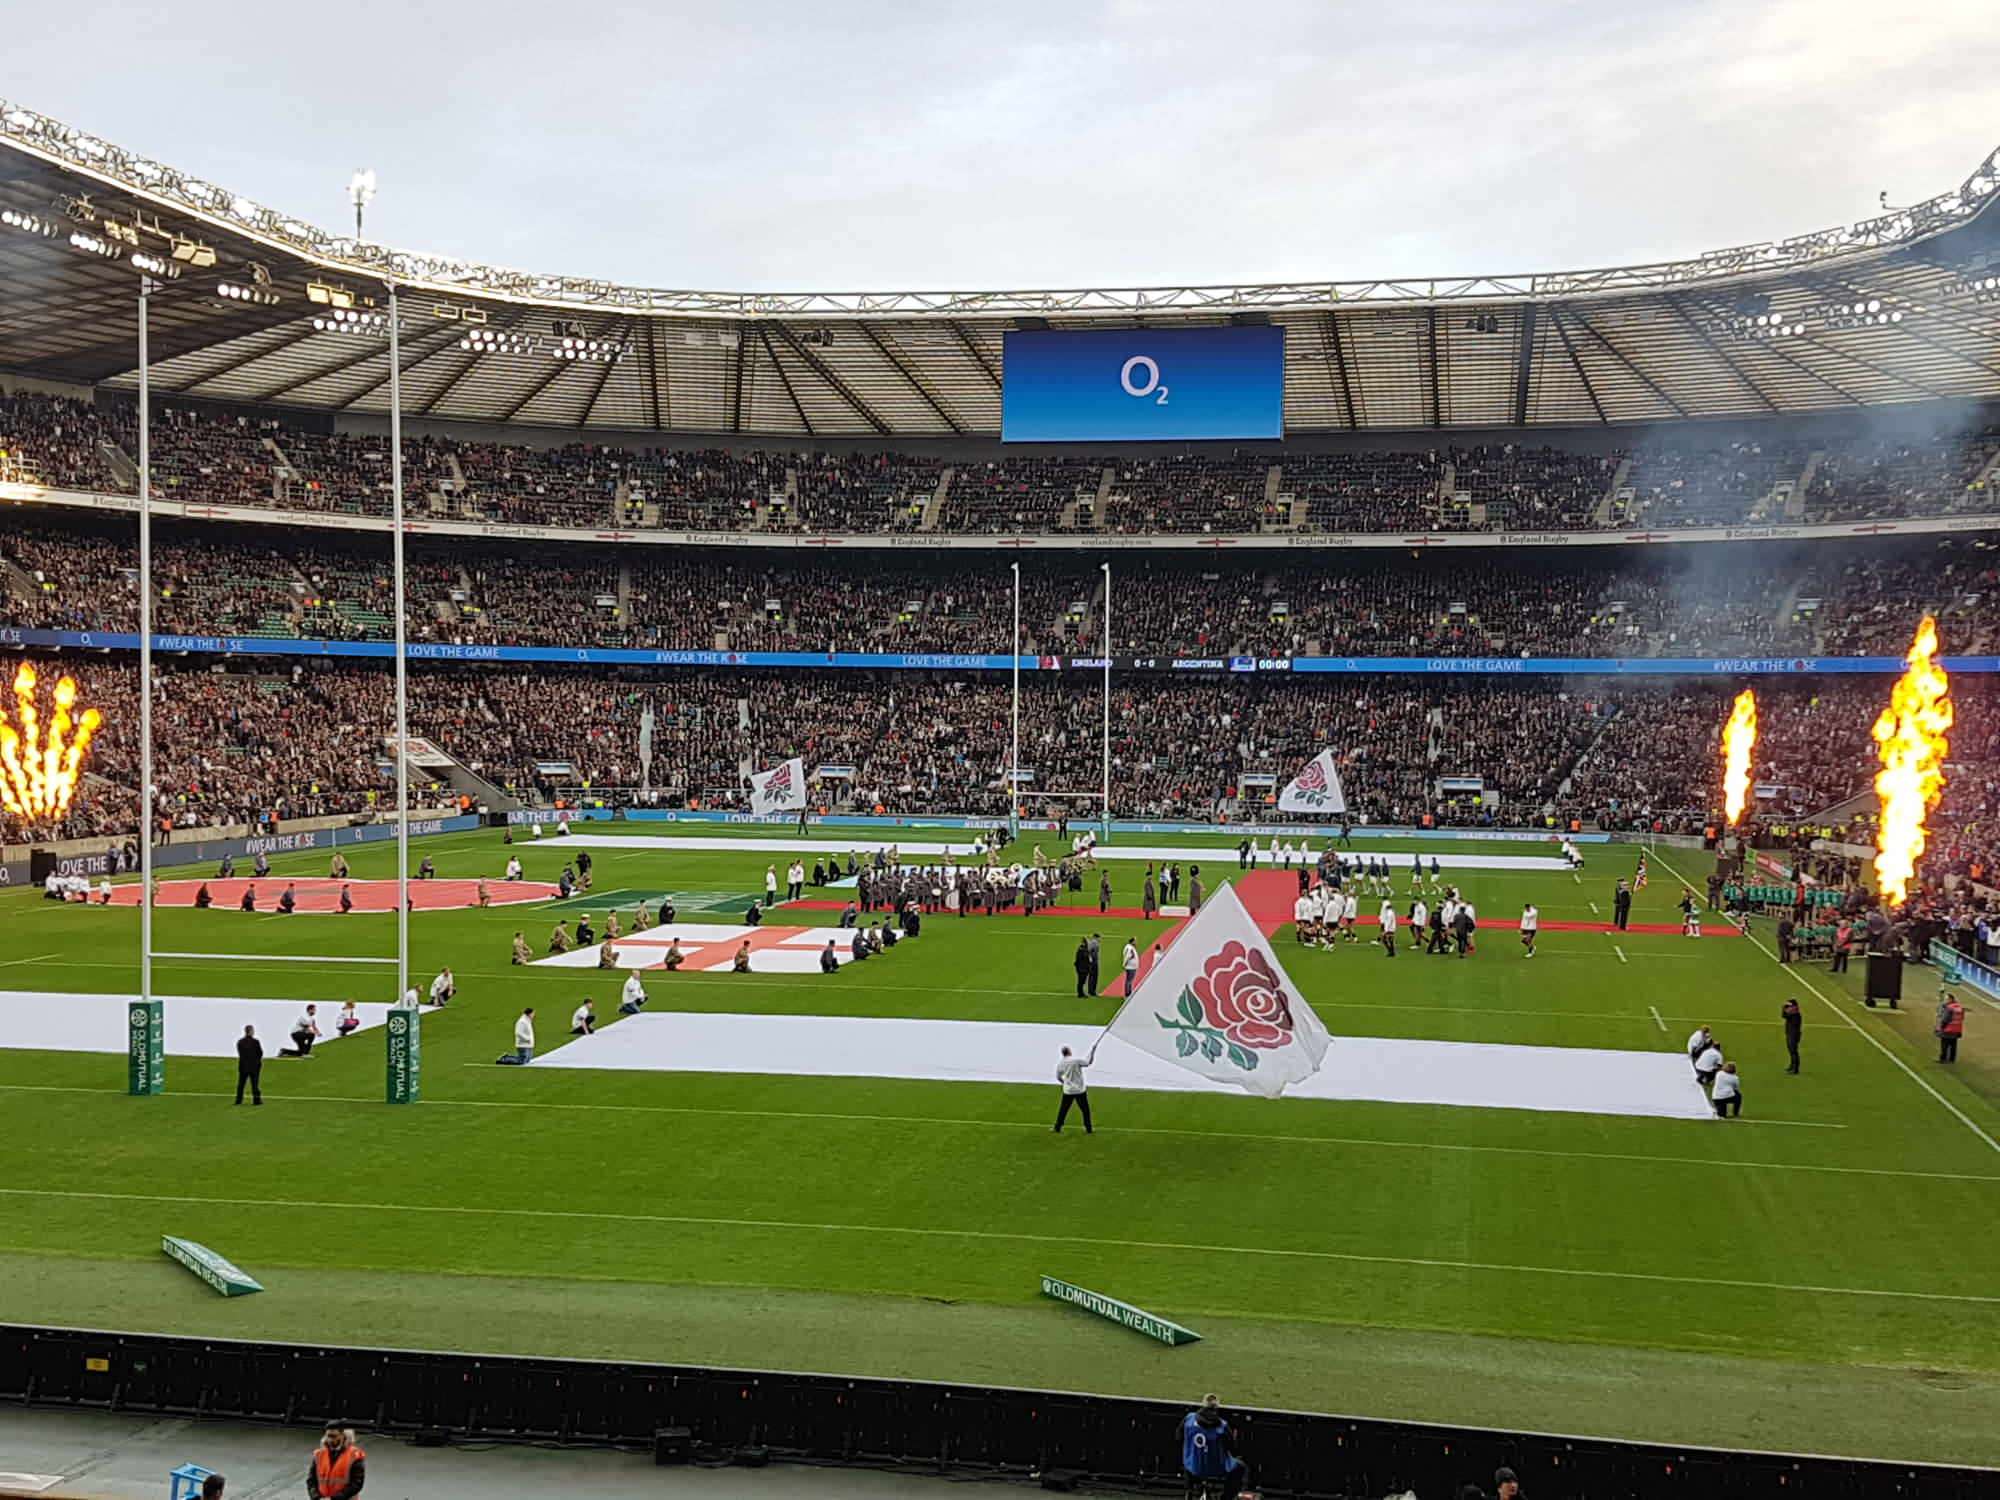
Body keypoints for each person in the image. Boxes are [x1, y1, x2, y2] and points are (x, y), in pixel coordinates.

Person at [1180, 1395, 1246, 1499]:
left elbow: (1178, 1437)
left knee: (1188, 1457)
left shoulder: (1189, 1419)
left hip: (1193, 1466)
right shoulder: (1223, 1426)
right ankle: (1225, 1497)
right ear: (1216, 1408)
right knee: (1240, 1467)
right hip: (1216, 1469)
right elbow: (1233, 1448)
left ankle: (1189, 1491)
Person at [306, 1424, 365, 1500]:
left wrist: (334, 1499)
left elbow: (356, 1484)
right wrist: (316, 1497)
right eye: (328, 1436)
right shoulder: (319, 1455)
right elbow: (311, 1480)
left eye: (334, 1436)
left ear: (342, 1435)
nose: (330, 1440)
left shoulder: (354, 1455)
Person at [1053, 1045, 1093, 1134]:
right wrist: (1092, 1052)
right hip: (1079, 1090)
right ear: (1069, 1052)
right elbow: (1088, 1062)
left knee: (1063, 1109)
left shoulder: (1060, 1064)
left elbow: (1058, 1077)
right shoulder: (1076, 1060)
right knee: (1085, 1110)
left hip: (1068, 1090)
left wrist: (1065, 1083)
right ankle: (1088, 1129)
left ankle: (1057, 1127)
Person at [234, 1025, 263, 1106]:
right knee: (255, 1084)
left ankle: (238, 1100)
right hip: (254, 1067)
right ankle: (256, 1100)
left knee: (241, 1084)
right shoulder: (256, 1042)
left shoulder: (240, 1042)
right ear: (250, 1031)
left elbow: (240, 1053)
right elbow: (260, 1053)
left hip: (243, 1066)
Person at [1937, 992, 1966, 1063]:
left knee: (1944, 1045)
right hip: (1956, 1030)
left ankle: (1942, 1059)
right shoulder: (1959, 1007)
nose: (1945, 1000)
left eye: (1946, 999)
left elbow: (1945, 1019)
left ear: (1950, 999)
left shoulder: (1949, 1008)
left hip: (1948, 1030)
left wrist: (1941, 1028)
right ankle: (1952, 1059)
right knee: (1953, 1045)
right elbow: (1962, 1018)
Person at [1781, 998, 1803, 1073]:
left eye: (1790, 1006)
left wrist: (1786, 1010)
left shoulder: (1796, 1015)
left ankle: (1795, 1069)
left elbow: (1786, 1016)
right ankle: (1792, 1066)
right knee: (1791, 1052)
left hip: (1793, 1036)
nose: (1788, 1008)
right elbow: (1784, 1015)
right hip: (1790, 1035)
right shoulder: (1792, 1014)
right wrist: (1784, 1008)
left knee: (1794, 1052)